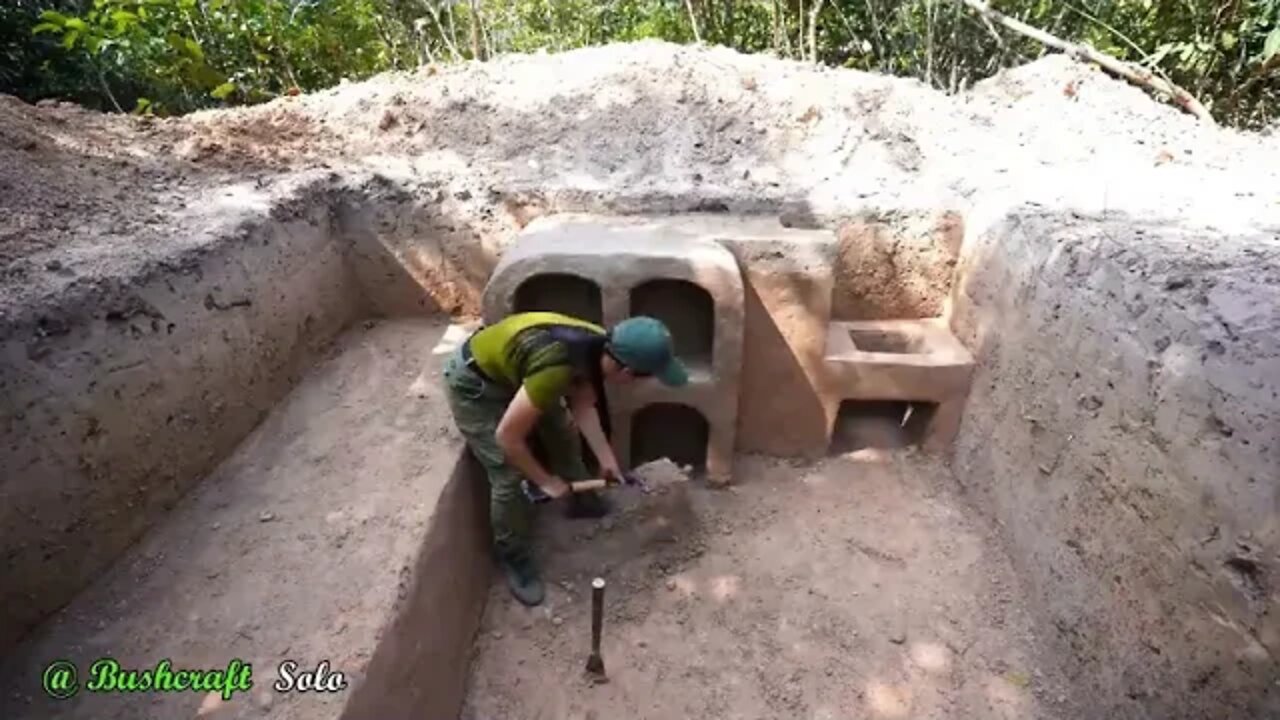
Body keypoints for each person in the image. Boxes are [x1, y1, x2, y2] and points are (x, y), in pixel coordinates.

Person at [442, 311, 689, 606]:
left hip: (522, 374)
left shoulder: (600, 346)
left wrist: (606, 459)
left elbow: (583, 407)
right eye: (647, 377)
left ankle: (582, 500)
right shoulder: (556, 367)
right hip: (475, 385)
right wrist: (545, 481)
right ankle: (514, 558)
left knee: (563, 431)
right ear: (625, 373)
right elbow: (507, 438)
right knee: (508, 475)